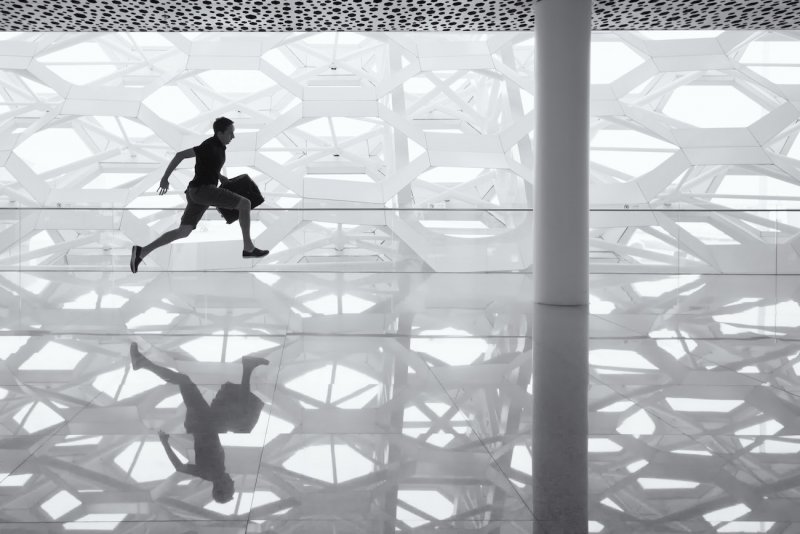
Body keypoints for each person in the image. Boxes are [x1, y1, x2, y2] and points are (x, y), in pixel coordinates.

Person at [129, 342, 270, 502]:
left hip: (202, 422)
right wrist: (165, 443)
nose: (232, 482)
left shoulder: (210, 473)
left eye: (231, 487)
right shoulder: (213, 472)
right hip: (208, 423)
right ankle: (248, 368)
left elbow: (180, 467)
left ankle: (142, 363)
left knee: (185, 382)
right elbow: (180, 467)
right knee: (244, 423)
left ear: (221, 487)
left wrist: (165, 443)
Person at [129, 117, 268, 273]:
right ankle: (248, 247)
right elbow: (179, 155)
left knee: (183, 231)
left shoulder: (220, 147)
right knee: (245, 203)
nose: (233, 137)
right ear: (220, 133)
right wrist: (165, 178)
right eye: (230, 133)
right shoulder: (208, 145)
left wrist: (219, 176)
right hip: (203, 191)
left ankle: (142, 252)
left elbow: (208, 166)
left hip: (197, 192)